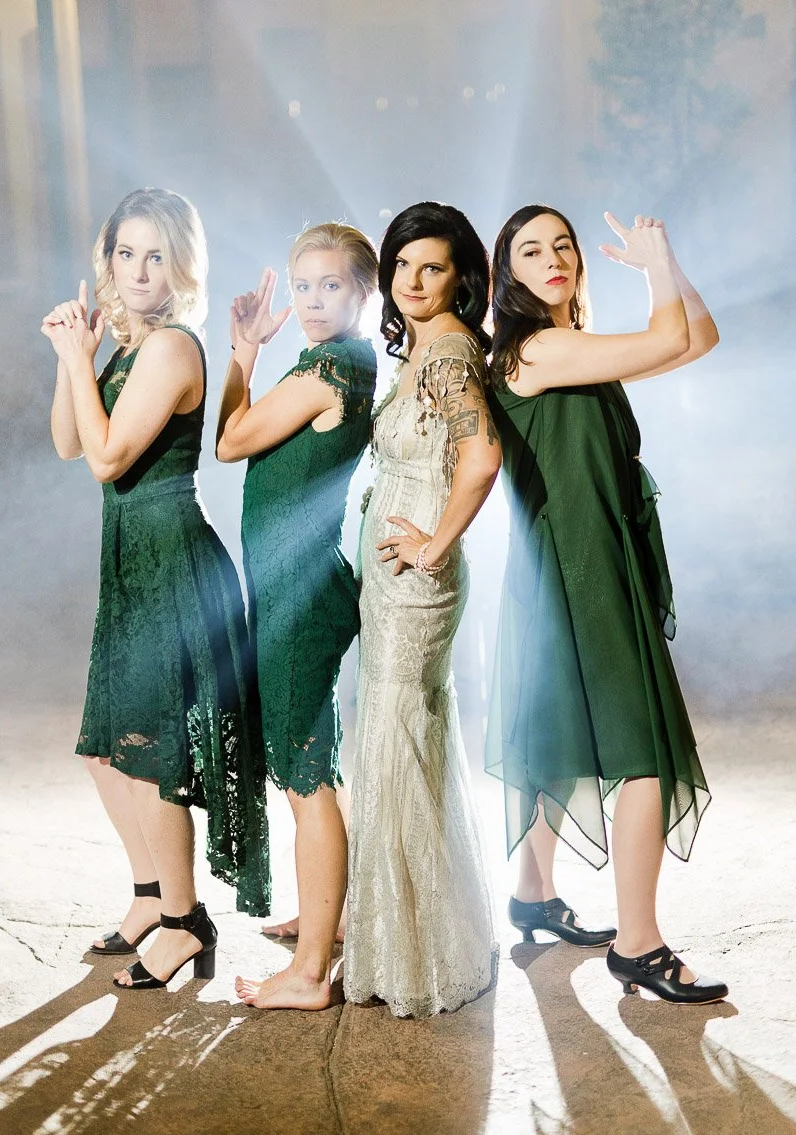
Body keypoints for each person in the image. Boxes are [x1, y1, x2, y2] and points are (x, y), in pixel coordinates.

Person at [485, 204, 728, 1004]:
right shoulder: (540, 349)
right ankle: (639, 944)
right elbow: (665, 339)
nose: (552, 257)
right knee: (642, 751)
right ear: (506, 273)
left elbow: (698, 339)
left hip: (576, 565)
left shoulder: (571, 349)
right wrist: (656, 267)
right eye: (531, 249)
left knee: (559, 738)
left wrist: (670, 264)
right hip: (578, 569)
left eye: (563, 245)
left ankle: (532, 892)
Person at [44, 187, 269, 991]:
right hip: (132, 563)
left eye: (154, 255)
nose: (138, 270)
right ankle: (149, 897)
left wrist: (80, 362)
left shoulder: (174, 347)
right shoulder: (131, 348)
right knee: (107, 754)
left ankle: (185, 923)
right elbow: (72, 441)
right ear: (108, 260)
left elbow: (109, 463)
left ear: (180, 265)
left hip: (173, 559)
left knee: (149, 758)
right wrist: (79, 355)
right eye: (124, 253)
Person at [344, 201, 500, 1019]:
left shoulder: (445, 357)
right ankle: (404, 935)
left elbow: (481, 456)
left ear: (458, 277)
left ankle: (412, 954)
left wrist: (436, 543)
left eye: (431, 267)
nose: (411, 281)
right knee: (400, 733)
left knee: (399, 732)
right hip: (393, 574)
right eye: (402, 265)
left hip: (416, 579)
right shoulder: (426, 352)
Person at [216, 223, 378, 1011]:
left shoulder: (332, 364)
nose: (314, 302)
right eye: (303, 285)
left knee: (305, 778)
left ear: (362, 292)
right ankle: (331, 917)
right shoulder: (340, 361)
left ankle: (311, 973)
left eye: (332, 287)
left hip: (300, 596)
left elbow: (232, 440)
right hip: (299, 586)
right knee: (317, 765)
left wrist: (242, 349)